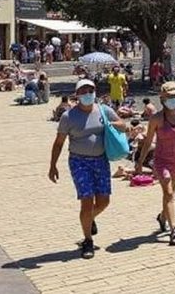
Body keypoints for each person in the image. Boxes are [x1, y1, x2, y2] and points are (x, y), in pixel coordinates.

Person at [49, 79, 127, 259]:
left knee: (104, 201)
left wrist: (112, 124)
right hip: (79, 162)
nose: (87, 94)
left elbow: (123, 126)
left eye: (90, 90)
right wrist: (52, 165)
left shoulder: (104, 110)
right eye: (83, 91)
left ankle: (89, 219)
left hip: (101, 160)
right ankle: (87, 240)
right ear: (77, 95)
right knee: (86, 200)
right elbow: (59, 143)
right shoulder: (68, 116)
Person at [135, 81, 175, 246]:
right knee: (169, 191)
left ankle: (163, 217)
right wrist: (140, 162)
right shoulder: (156, 118)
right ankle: (174, 230)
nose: (173, 99)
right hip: (161, 160)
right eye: (169, 96)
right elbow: (148, 140)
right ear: (162, 98)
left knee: (169, 194)